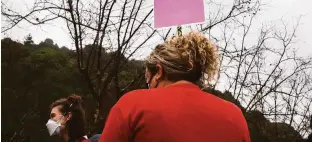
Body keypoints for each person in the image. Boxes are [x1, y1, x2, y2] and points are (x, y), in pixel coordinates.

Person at [99, 32, 251, 142]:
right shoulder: (235, 115)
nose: (149, 87)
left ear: (158, 72)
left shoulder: (132, 105)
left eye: (148, 80)